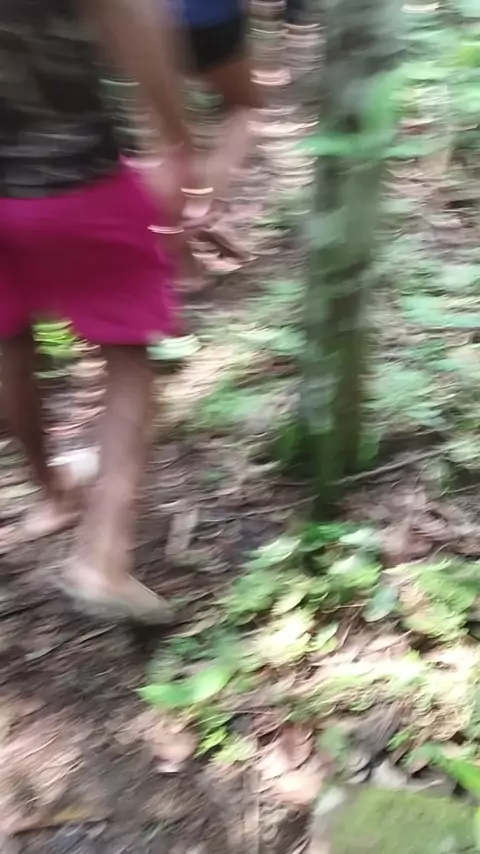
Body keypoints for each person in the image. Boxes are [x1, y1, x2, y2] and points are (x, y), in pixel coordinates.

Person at [0, 0, 195, 624]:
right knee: (129, 355)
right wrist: (177, 144)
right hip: (74, 180)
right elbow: (135, 20)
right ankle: (103, 558)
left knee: (10, 345)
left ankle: (53, 494)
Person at [165, 0, 262, 258]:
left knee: (166, 128)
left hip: (149, 22)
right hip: (210, 17)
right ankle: (202, 208)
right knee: (245, 107)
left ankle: (172, 233)